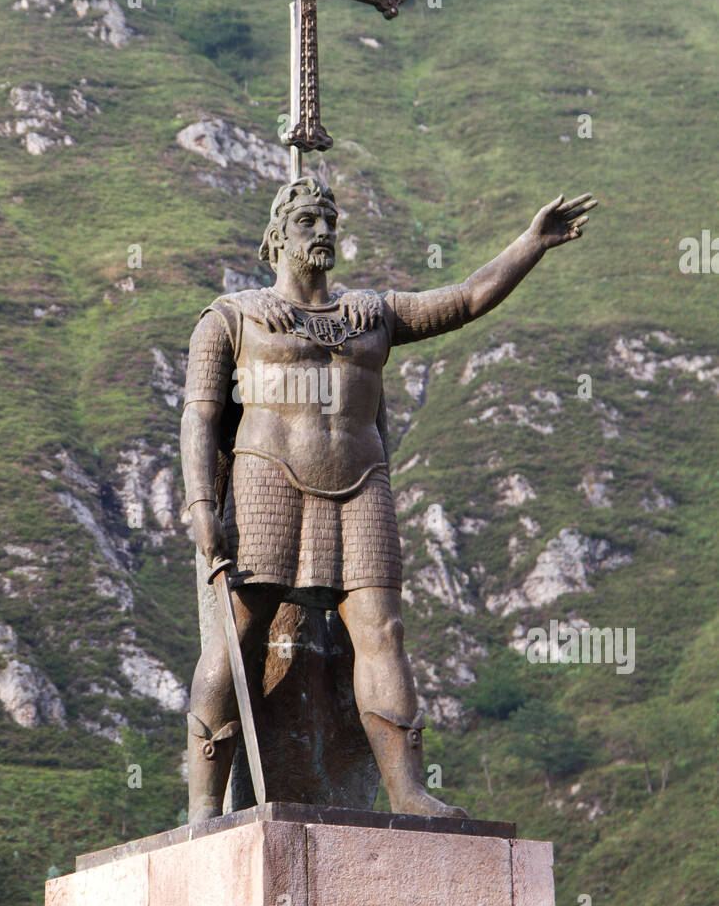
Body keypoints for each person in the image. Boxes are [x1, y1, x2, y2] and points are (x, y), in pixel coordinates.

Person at [181, 174, 595, 822]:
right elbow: (199, 418)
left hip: (360, 488)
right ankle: (203, 809)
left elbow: (465, 298)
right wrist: (202, 507)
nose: (322, 231)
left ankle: (408, 792)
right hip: (268, 486)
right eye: (307, 222)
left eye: (329, 220)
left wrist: (530, 243)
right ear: (275, 237)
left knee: (383, 631)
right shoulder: (232, 316)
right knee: (241, 632)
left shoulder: (373, 313)